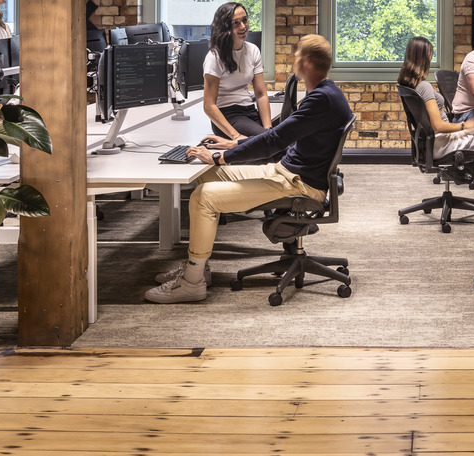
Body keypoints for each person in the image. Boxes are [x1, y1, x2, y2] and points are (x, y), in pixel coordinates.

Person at [145, 34, 352, 303]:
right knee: (208, 174)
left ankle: (192, 283)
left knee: (203, 197)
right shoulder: (327, 93)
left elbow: (274, 141)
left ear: (307, 61)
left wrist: (222, 156)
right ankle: (200, 268)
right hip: (286, 172)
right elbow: (277, 138)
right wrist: (234, 143)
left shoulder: (321, 100)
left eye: (298, 54)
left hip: (300, 184)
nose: (294, 58)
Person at [399, 36, 474, 220]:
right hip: (442, 142)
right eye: (430, 55)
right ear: (423, 58)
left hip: (431, 144)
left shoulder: (407, 84)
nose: (431, 59)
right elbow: (438, 126)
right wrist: (465, 126)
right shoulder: (423, 87)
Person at [202, 2, 270, 140]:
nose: (243, 26)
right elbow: (208, 106)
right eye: (236, 23)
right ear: (225, 26)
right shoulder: (214, 57)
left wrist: (269, 129)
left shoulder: (253, 50)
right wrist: (236, 137)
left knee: (276, 139)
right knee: (271, 143)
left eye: (245, 20)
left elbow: (261, 94)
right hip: (228, 116)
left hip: (250, 111)